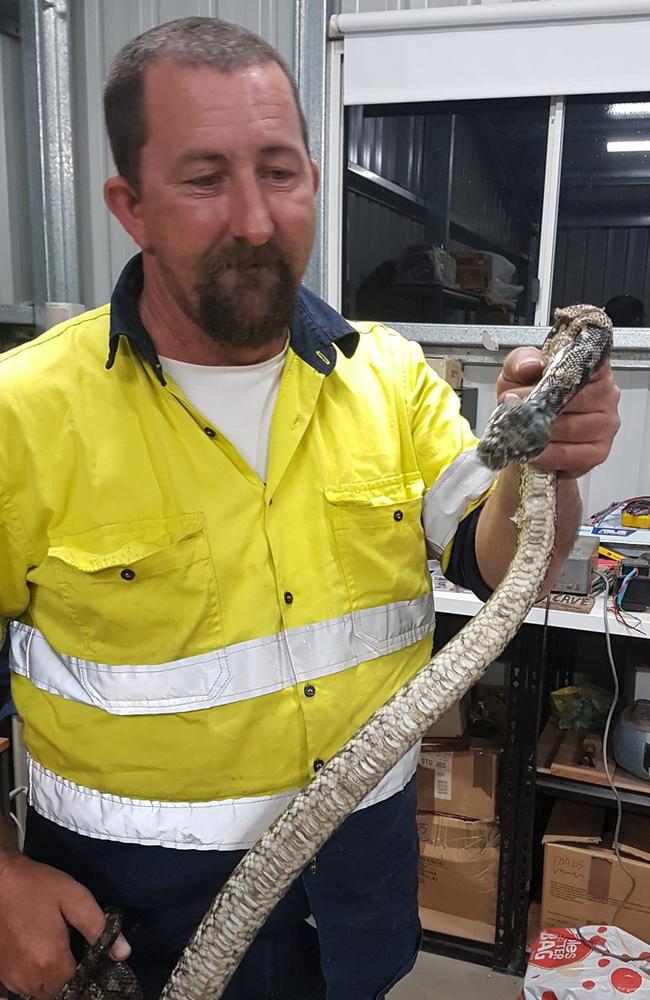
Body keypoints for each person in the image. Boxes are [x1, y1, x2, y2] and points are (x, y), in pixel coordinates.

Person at [0, 17, 620, 1000]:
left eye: (279, 172)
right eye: (204, 178)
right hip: (132, 926)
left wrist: (545, 471)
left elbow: (500, 569)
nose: (253, 217)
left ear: (313, 185)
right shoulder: (23, 414)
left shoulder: (389, 379)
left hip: (352, 903)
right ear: (131, 204)